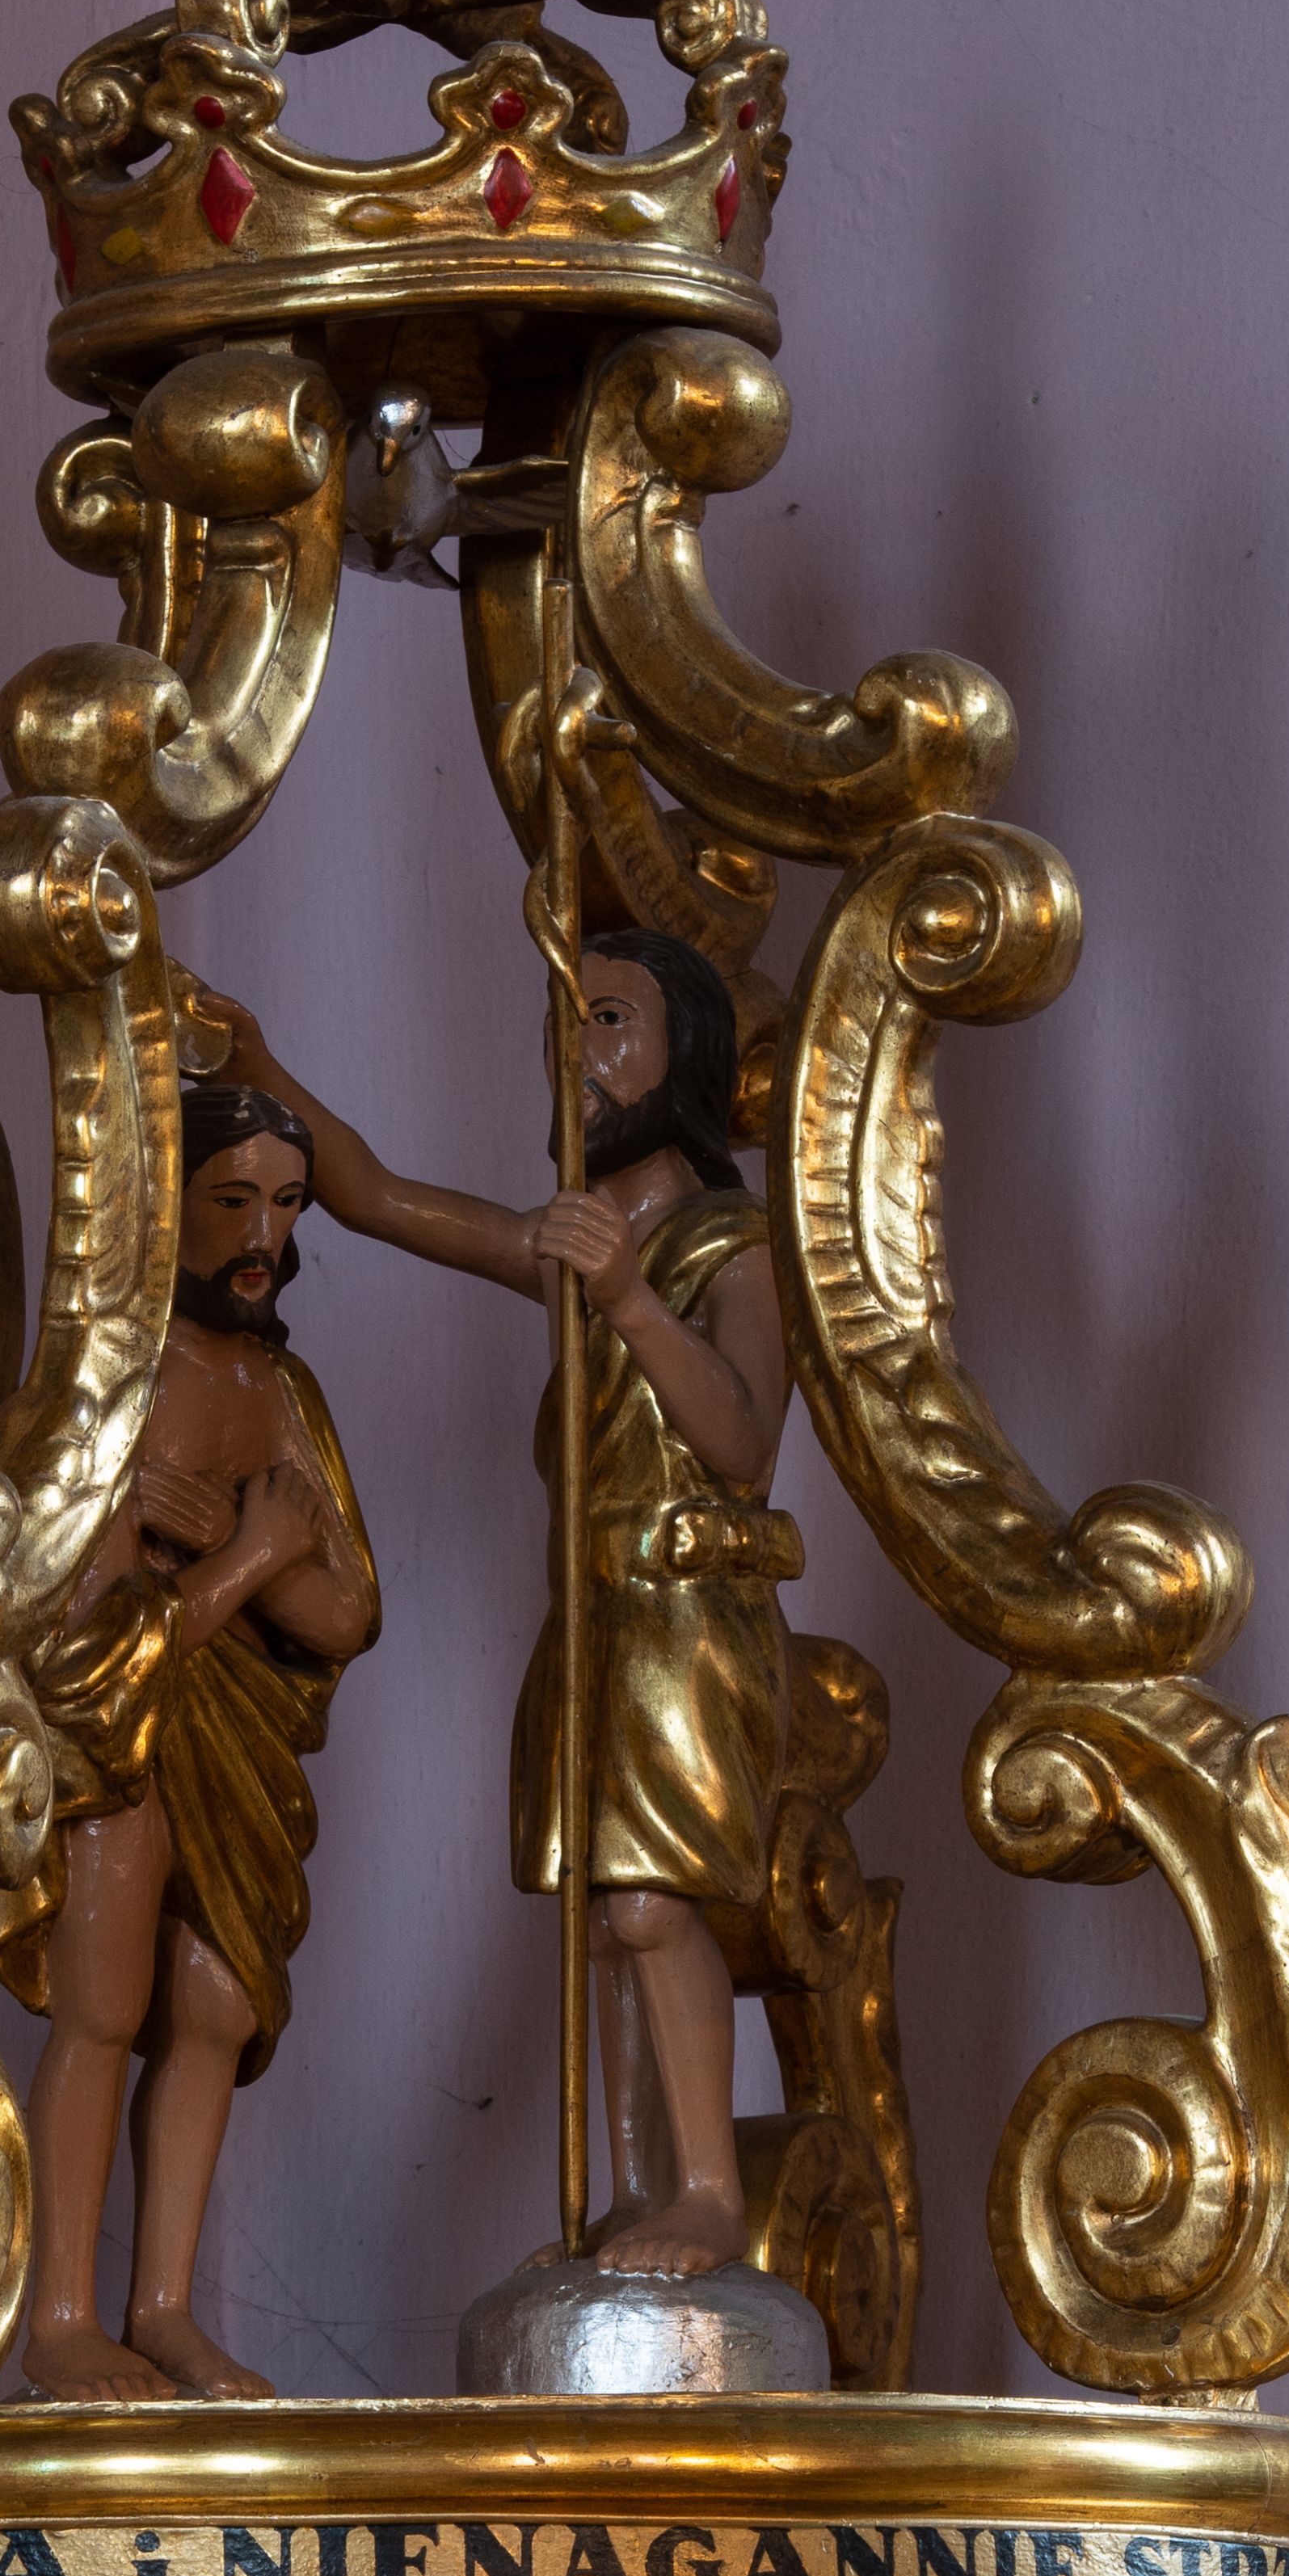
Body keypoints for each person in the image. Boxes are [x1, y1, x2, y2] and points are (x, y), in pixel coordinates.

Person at [224, 932, 796, 2280]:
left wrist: (628, 1296)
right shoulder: (565, 1243)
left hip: (684, 1615)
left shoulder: (732, 1242)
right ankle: (640, 2194)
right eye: (563, 1020)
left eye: (609, 1019)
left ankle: (710, 2193)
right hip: (590, 1620)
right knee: (602, 1916)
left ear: (683, 1056)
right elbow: (377, 1197)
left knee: (651, 1904)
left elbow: (741, 1435)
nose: (574, 1050)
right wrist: (260, 1063)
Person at [0, 1078, 378, 2401]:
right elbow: (91, 1633)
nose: (266, 1236)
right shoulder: (114, 1382)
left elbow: (349, 1609)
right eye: (235, 1201)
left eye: (289, 1205)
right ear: (171, 1206)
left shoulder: (285, 1389)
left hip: (240, 1737)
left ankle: (161, 2310)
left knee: (212, 2003)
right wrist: (254, 1556)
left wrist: (223, 1547)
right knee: (104, 2003)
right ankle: (60, 2318)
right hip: (123, 1737)